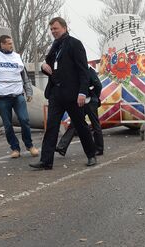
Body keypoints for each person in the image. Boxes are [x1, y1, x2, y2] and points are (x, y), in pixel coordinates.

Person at [30, 17, 97, 170]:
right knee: (51, 127)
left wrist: (82, 92)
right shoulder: (55, 46)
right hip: (56, 93)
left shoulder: (75, 44)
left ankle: (91, 154)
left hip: (73, 94)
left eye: (56, 28)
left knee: (80, 126)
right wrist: (43, 68)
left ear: (65, 28)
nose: (53, 31)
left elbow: (83, 71)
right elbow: (51, 67)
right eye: (51, 29)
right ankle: (46, 161)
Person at [0, 35, 39, 159]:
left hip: (18, 95)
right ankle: (15, 148)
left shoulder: (17, 57)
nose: (11, 46)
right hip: (2, 97)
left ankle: (30, 145)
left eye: (11, 43)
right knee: (8, 124)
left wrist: (29, 91)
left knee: (24, 120)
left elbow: (24, 75)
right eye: (8, 44)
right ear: (1, 44)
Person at [56, 66, 104, 156]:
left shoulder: (89, 69)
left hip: (90, 101)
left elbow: (98, 85)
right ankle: (62, 147)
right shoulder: (75, 70)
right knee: (74, 123)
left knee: (95, 124)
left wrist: (94, 97)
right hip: (80, 102)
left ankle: (99, 149)